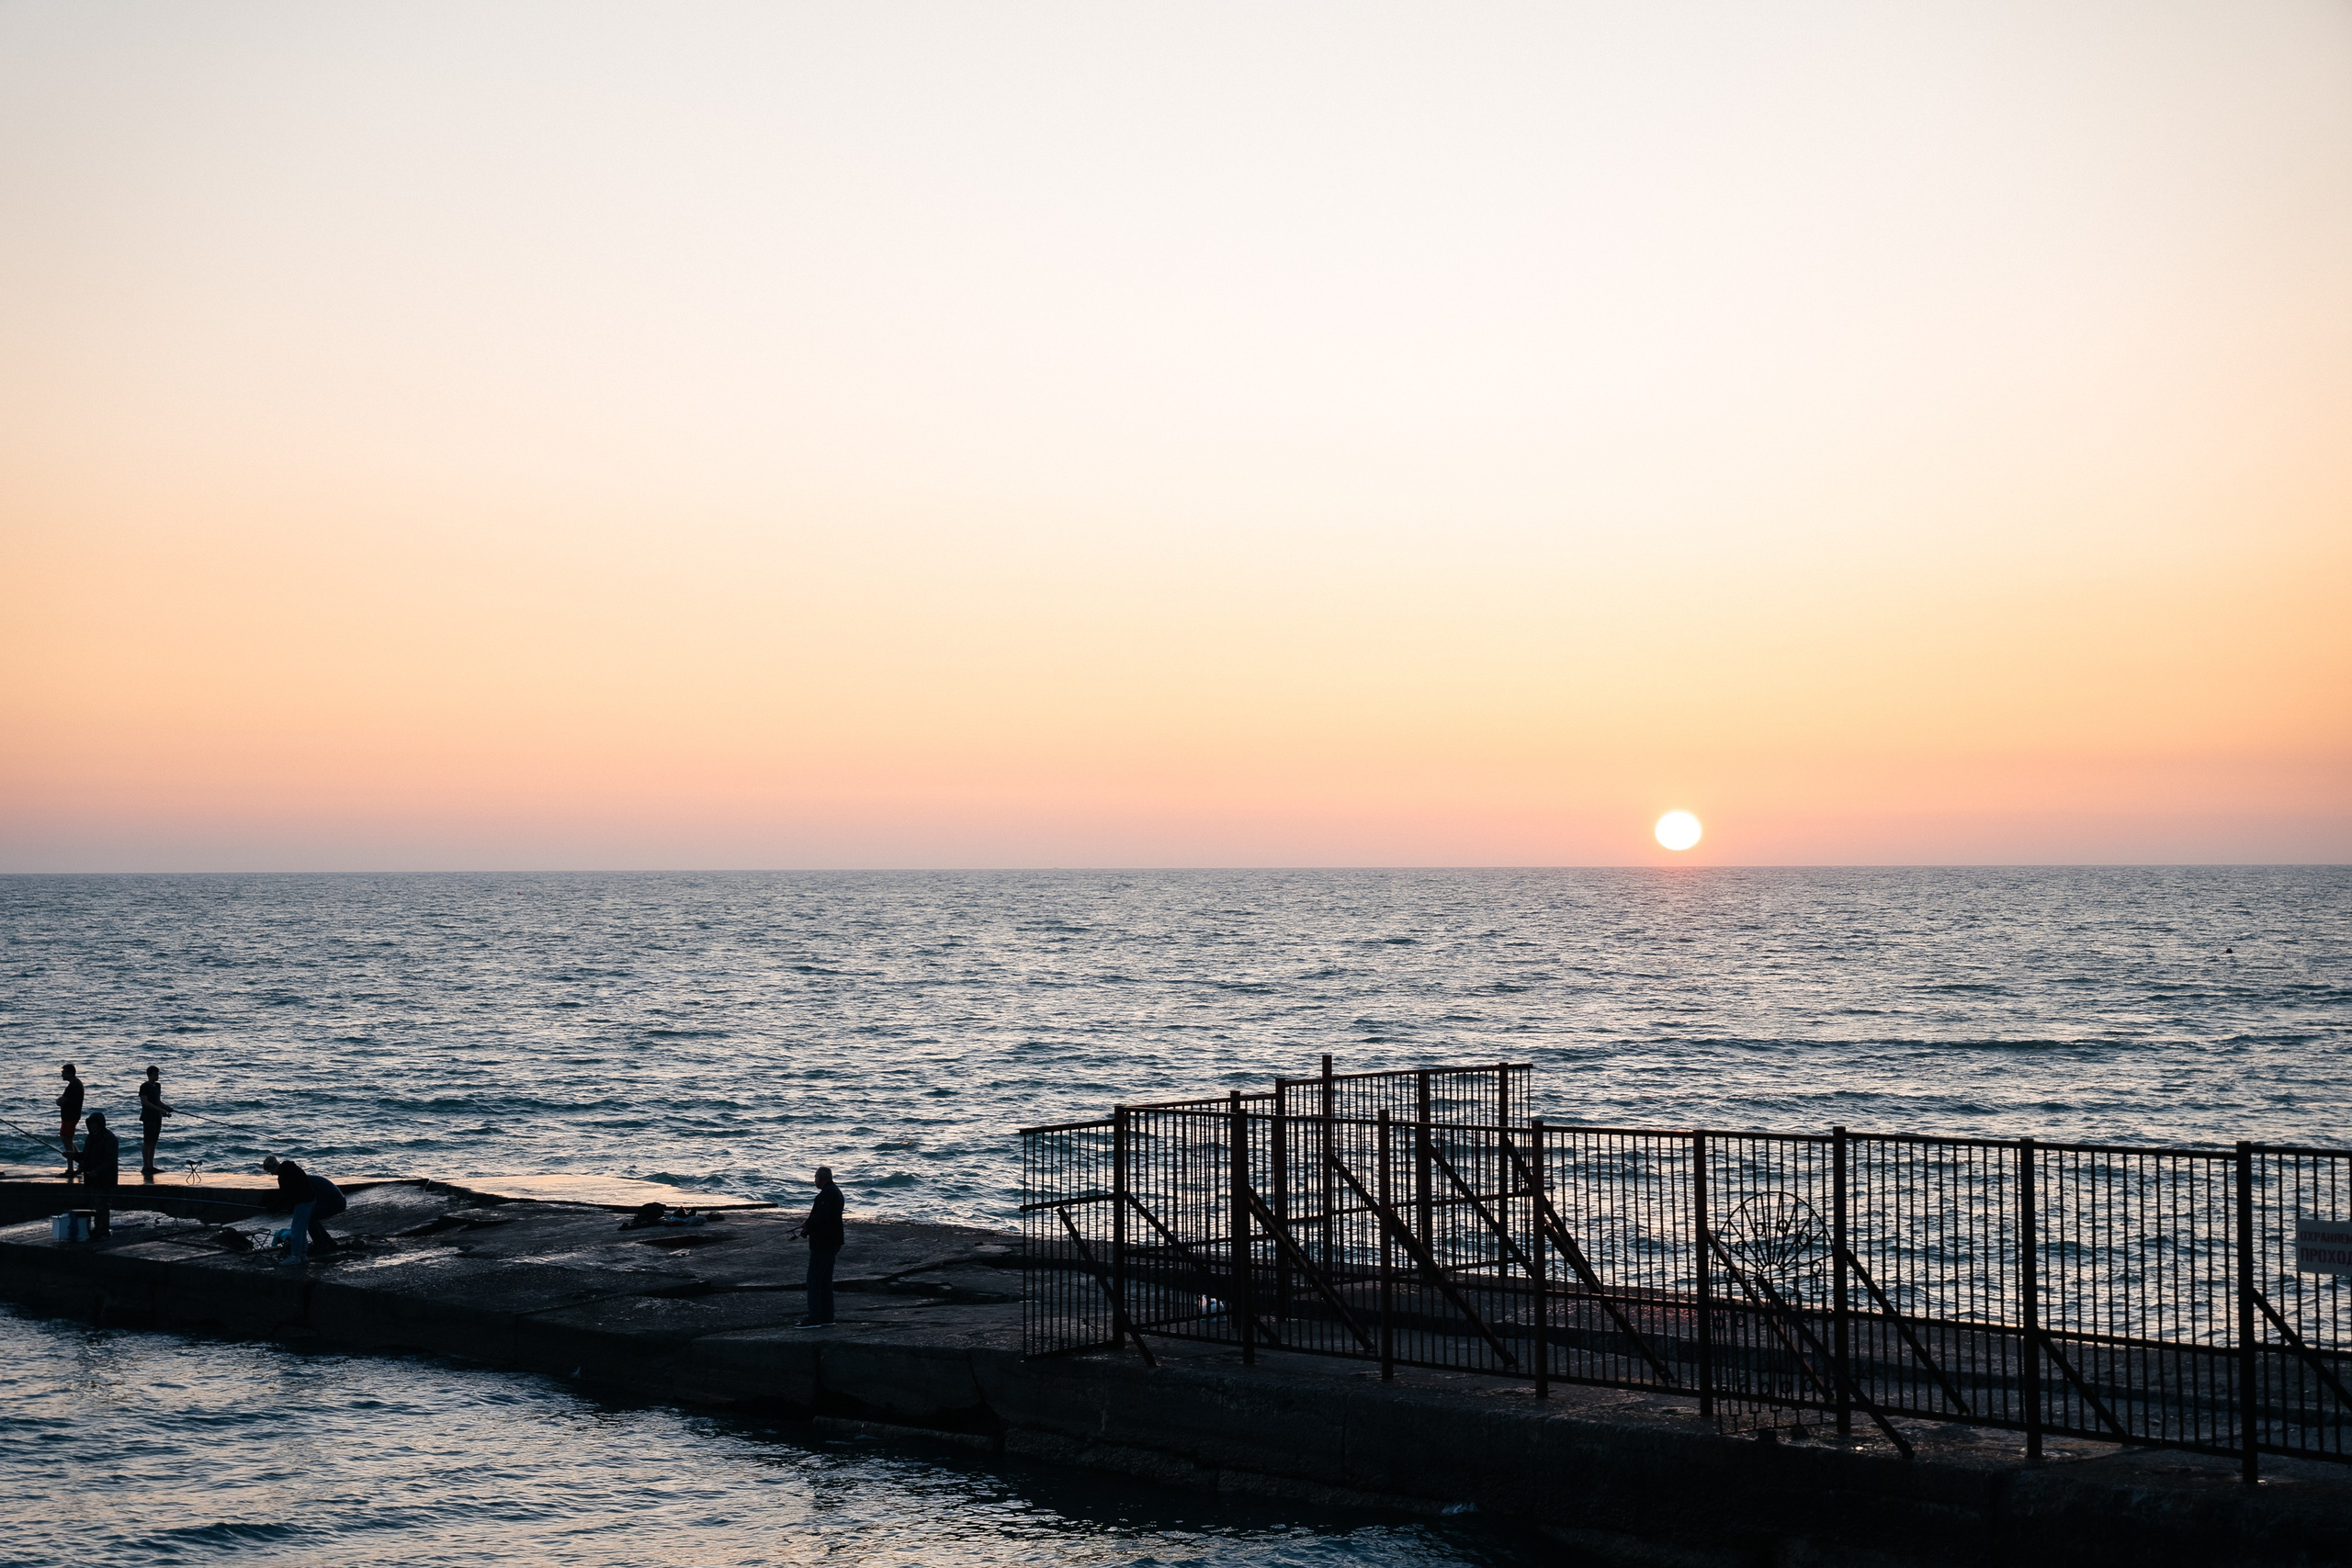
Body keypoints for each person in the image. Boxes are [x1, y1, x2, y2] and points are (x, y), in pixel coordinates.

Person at [263, 1156, 346, 1267]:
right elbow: (294, 1193)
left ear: (273, 1167)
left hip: (333, 1201)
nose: (272, 1174)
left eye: (270, 1171)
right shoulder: (293, 1170)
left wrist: (275, 1207)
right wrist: (290, 1207)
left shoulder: (285, 1175)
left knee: (299, 1227)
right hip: (316, 1200)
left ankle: (304, 1252)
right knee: (305, 1224)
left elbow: (286, 1194)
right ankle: (311, 1250)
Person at [795, 1166, 844, 1327]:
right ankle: (828, 1317)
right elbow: (828, 1218)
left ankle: (815, 1318)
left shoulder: (826, 1194)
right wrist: (807, 1229)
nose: (814, 1180)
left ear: (821, 1178)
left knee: (814, 1281)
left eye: (815, 1177)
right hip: (833, 1242)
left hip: (824, 1243)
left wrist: (807, 1224)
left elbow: (821, 1217)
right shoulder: (836, 1191)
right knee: (825, 1281)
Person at [76, 1111, 119, 1237]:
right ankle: (95, 1230)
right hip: (91, 1179)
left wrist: (97, 1171)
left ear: (101, 1124)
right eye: (91, 1124)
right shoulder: (90, 1138)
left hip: (105, 1180)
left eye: (95, 1124)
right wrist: (72, 1154)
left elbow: (110, 1161)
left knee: (102, 1207)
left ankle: (103, 1231)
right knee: (91, 1206)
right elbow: (85, 1155)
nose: (93, 1127)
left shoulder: (110, 1138)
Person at [137, 1066, 173, 1179]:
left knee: (154, 1141)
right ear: (149, 1075)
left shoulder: (158, 1086)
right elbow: (145, 1102)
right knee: (147, 1141)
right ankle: (145, 1166)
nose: (157, 1076)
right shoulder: (144, 1087)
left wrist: (166, 1107)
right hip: (148, 1118)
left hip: (157, 1118)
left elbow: (157, 1101)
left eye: (158, 1074)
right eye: (155, 1074)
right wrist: (160, 1110)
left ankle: (151, 1166)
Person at [57, 1064, 83, 1179]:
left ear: (70, 1073)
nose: (62, 1074)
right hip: (71, 1116)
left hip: (70, 1117)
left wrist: (58, 1100)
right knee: (68, 1140)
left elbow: (62, 1101)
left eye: (64, 1072)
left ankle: (71, 1169)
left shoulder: (73, 1085)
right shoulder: (76, 1084)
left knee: (66, 1140)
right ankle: (80, 1161)